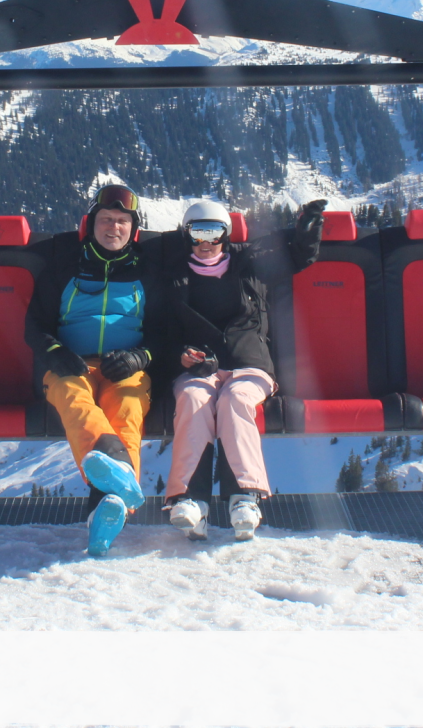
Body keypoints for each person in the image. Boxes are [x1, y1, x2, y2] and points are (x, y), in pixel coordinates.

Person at [158, 197, 326, 541]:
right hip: (199, 369)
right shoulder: (173, 277)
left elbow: (298, 257)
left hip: (249, 365)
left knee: (235, 399)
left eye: (214, 233)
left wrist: (308, 230)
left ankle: (244, 497)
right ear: (186, 236)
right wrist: (181, 356)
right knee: (193, 399)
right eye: (197, 234)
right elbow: (163, 332)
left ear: (227, 235)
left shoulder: (251, 267)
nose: (206, 243)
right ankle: (190, 498)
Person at [25, 183, 160, 556]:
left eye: (122, 221)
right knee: (75, 399)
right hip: (71, 363)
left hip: (124, 366)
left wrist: (139, 358)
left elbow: (166, 332)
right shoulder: (64, 267)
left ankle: (104, 510)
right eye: (106, 219)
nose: (113, 227)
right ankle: (122, 478)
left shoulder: (148, 272)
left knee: (127, 408)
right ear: (91, 224)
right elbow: (33, 326)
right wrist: (56, 352)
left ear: (133, 229)